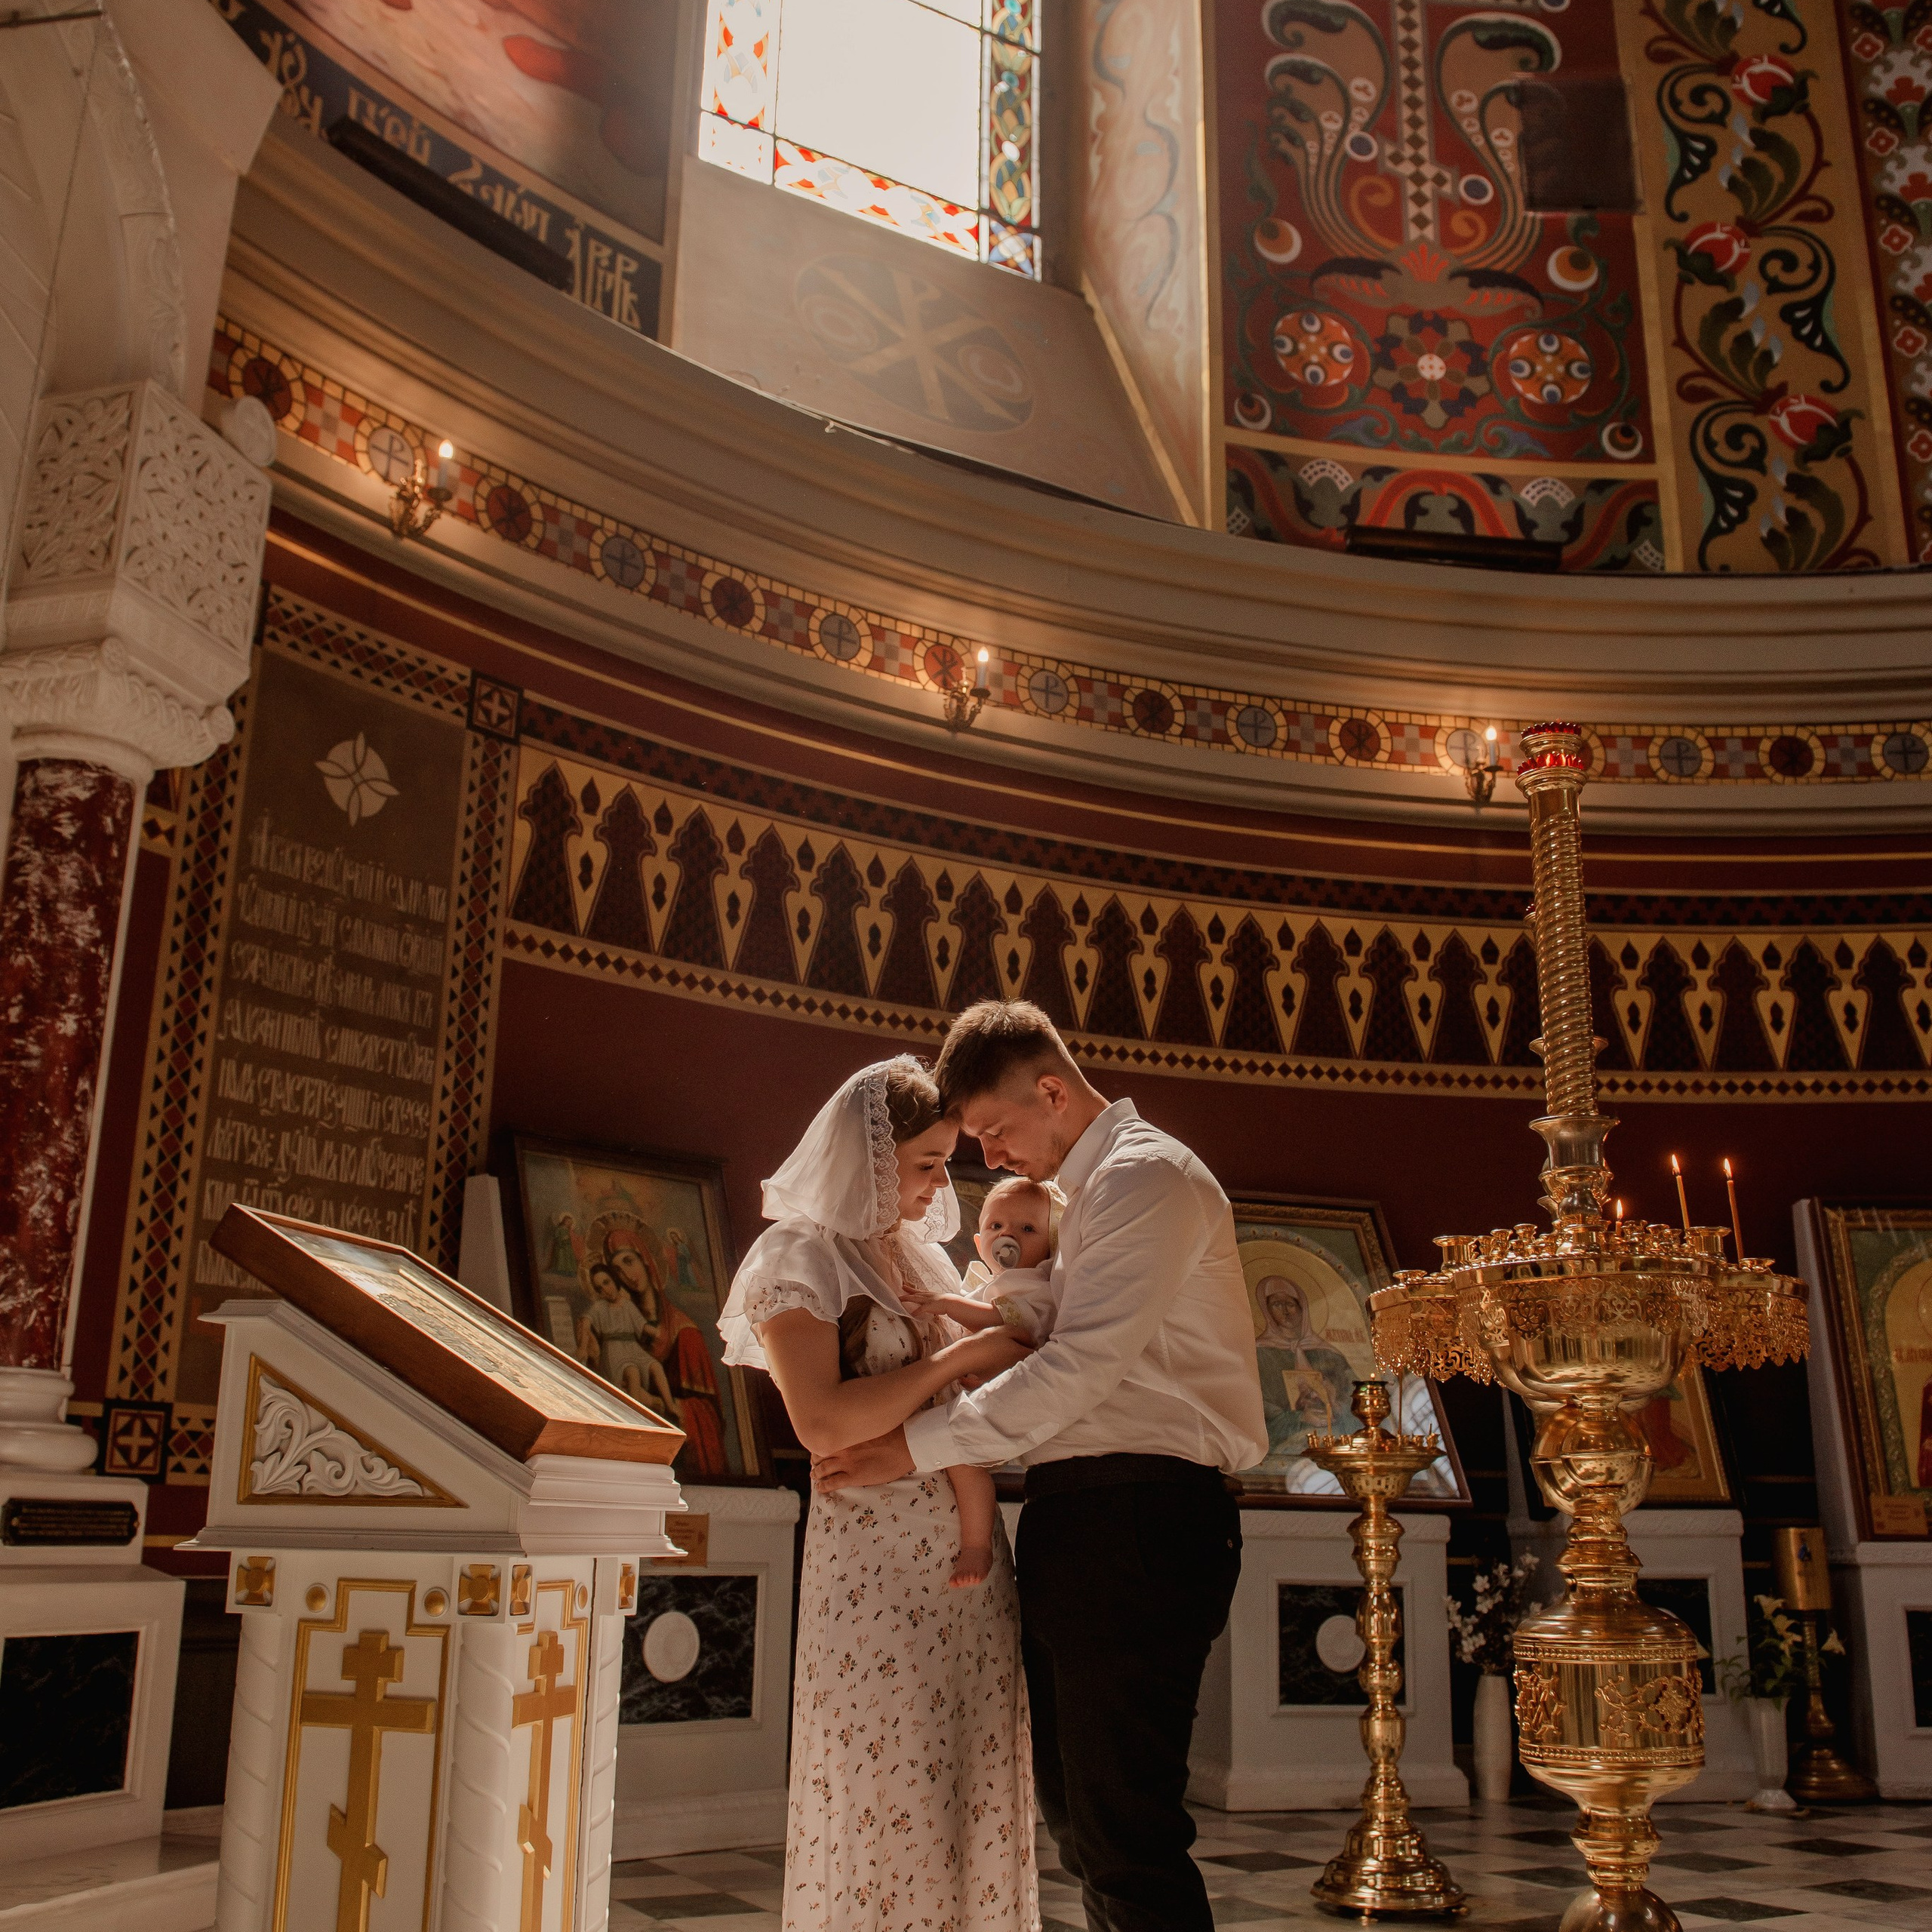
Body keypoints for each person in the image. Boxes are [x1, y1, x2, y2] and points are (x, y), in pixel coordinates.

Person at [816, 1001, 1268, 1932]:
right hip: (1080, 1510)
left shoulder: (1147, 1180)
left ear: (1052, 1091)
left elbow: (1077, 1366)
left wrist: (906, 1447)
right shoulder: (1086, 1197)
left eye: (992, 1130)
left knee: (1124, 1828)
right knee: (1079, 1820)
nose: (987, 1158)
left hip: (1142, 1510)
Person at [717, 1056, 1039, 1930]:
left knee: (966, 1778)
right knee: (884, 1778)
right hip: (874, 1570)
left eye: (943, 1161)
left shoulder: (919, 1256)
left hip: (970, 1562)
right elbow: (823, 1422)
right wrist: (962, 1355)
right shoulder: (797, 1253)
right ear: (872, 1157)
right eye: (927, 1162)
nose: (942, 1182)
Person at [608, 1225, 730, 1472]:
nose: (627, 1275)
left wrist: (655, 1402)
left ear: (646, 1260)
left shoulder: (684, 1333)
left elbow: (709, 1416)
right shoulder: (623, 1324)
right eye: (618, 1271)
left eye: (630, 1262)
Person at [577, 1259, 681, 1421]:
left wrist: (657, 1333)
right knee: (632, 1372)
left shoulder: (628, 1305)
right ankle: (634, 1416)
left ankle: (670, 1405)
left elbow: (642, 1325)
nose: (606, 1290)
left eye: (607, 1282)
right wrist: (583, 1347)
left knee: (655, 1366)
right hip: (614, 1351)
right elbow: (585, 1321)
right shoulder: (599, 1308)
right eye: (600, 1288)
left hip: (632, 1347)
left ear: (614, 1279)